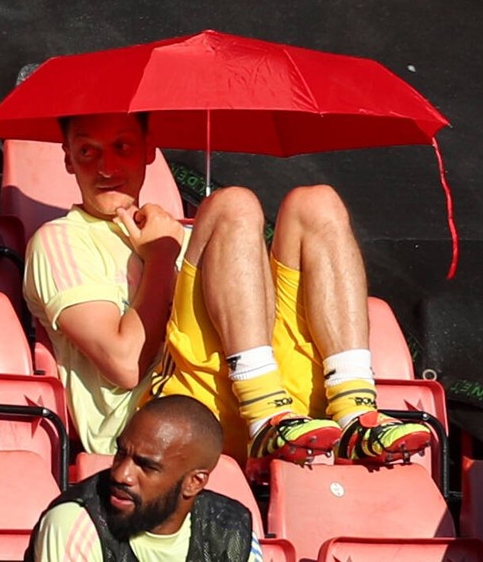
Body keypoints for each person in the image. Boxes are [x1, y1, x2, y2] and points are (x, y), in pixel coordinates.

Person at [23, 111, 431, 468]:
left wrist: (168, 247)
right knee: (232, 204)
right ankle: (264, 413)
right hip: (161, 420)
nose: (106, 166)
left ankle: (356, 412)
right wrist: (163, 257)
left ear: (150, 150)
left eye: (122, 147)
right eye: (87, 152)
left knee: (317, 203)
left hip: (237, 393)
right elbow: (125, 366)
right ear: (67, 158)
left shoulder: (175, 235)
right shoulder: (59, 240)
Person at [26, 395, 261, 561]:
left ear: (194, 482)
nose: (121, 474)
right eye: (120, 453)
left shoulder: (231, 528)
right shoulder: (75, 522)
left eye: (146, 466)